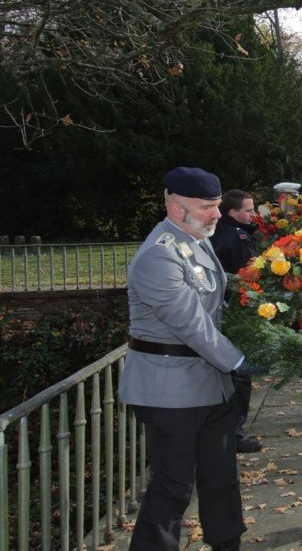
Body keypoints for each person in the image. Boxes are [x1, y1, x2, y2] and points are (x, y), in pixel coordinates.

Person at [119, 167, 247, 551]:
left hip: (210, 382)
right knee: (173, 486)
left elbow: (216, 300)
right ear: (177, 208)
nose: (217, 214)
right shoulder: (158, 256)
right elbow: (191, 324)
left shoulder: (195, 238)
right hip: (170, 389)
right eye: (208, 206)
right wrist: (238, 361)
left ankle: (228, 543)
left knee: (221, 475)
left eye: (217, 205)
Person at [209, 188, 263, 454]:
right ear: (234, 213)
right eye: (249, 210)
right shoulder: (238, 237)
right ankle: (235, 433)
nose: (253, 214)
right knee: (240, 374)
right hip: (236, 311)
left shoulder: (221, 232)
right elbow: (248, 276)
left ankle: (229, 430)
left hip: (221, 309)